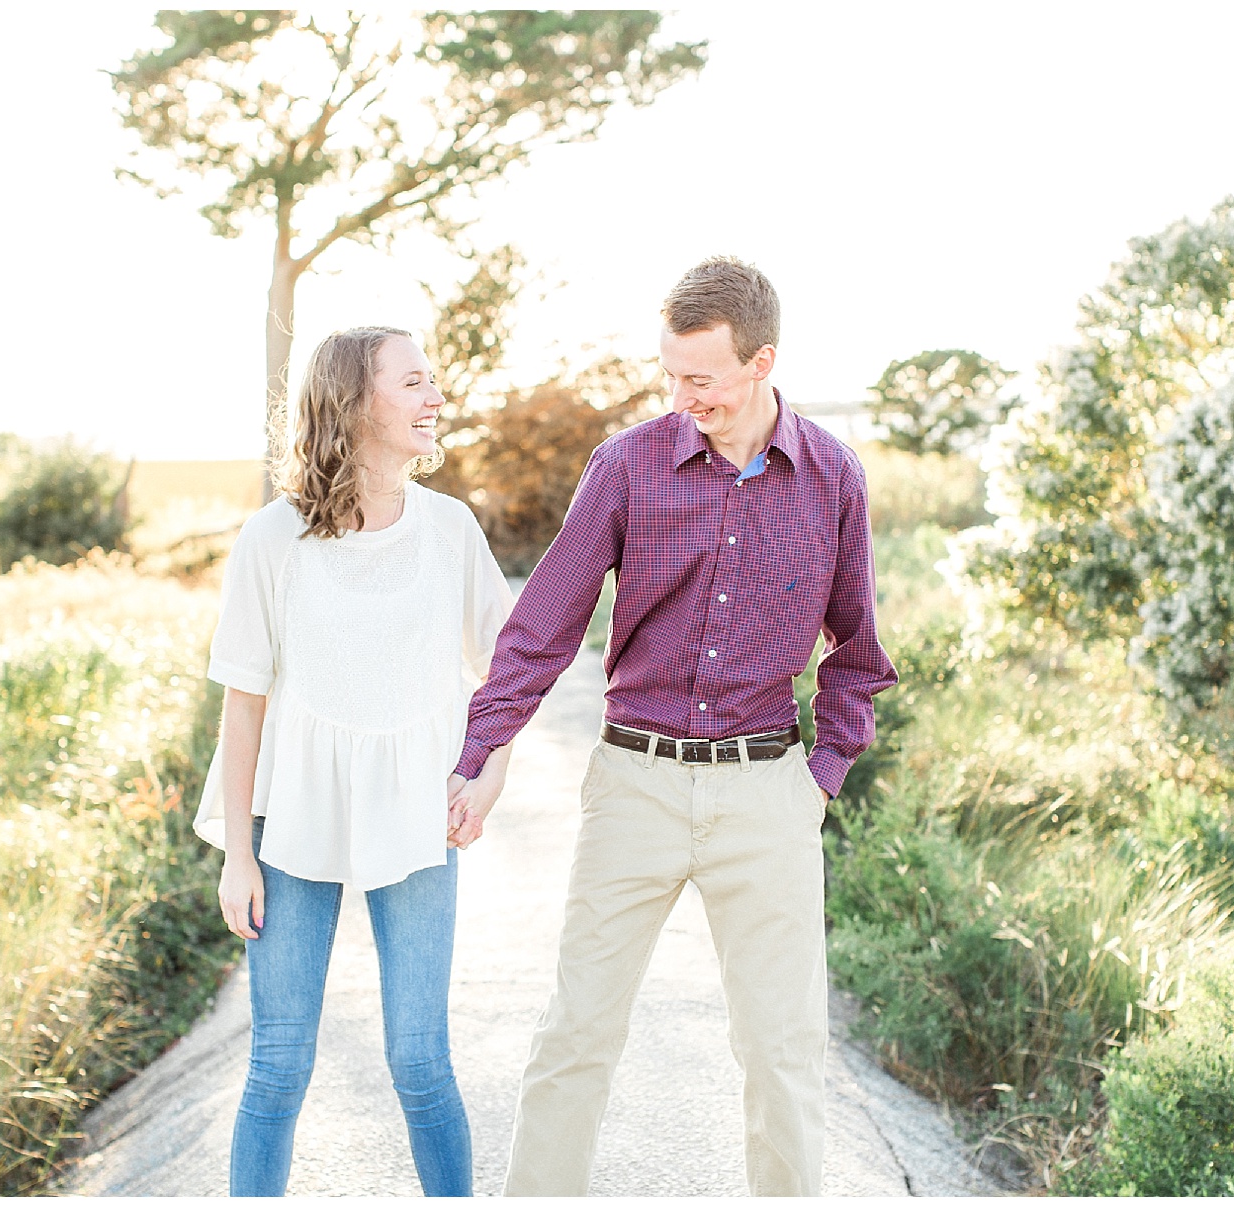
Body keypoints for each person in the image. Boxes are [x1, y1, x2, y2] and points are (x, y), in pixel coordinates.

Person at [447, 256, 898, 1196]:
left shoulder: (832, 477)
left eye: (702, 378)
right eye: (670, 375)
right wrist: (482, 746)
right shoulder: (627, 467)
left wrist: (817, 779)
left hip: (766, 790)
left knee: (783, 1051)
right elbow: (542, 626)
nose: (682, 397)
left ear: (762, 361)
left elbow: (857, 649)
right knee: (576, 1033)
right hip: (636, 784)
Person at [194, 326, 515, 1198]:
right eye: (413, 382)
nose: (435, 397)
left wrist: (489, 773)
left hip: (416, 818)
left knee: (421, 1060)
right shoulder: (273, 538)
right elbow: (244, 705)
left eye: (432, 380)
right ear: (355, 403)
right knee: (278, 1064)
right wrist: (236, 853)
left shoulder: (450, 529)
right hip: (290, 823)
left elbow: (507, 668)